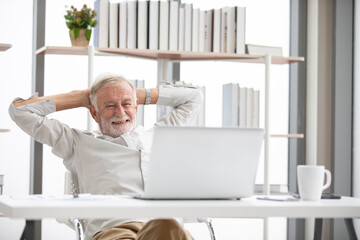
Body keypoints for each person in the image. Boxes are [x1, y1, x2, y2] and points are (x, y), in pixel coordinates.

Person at [9, 73, 203, 240]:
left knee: (168, 227)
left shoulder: (161, 135)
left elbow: (194, 97)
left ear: (136, 107)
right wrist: (79, 97)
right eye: (109, 105)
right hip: (115, 232)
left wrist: (134, 93)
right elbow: (20, 111)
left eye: (127, 104)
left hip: (166, 230)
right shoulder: (77, 143)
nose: (120, 112)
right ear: (94, 112)